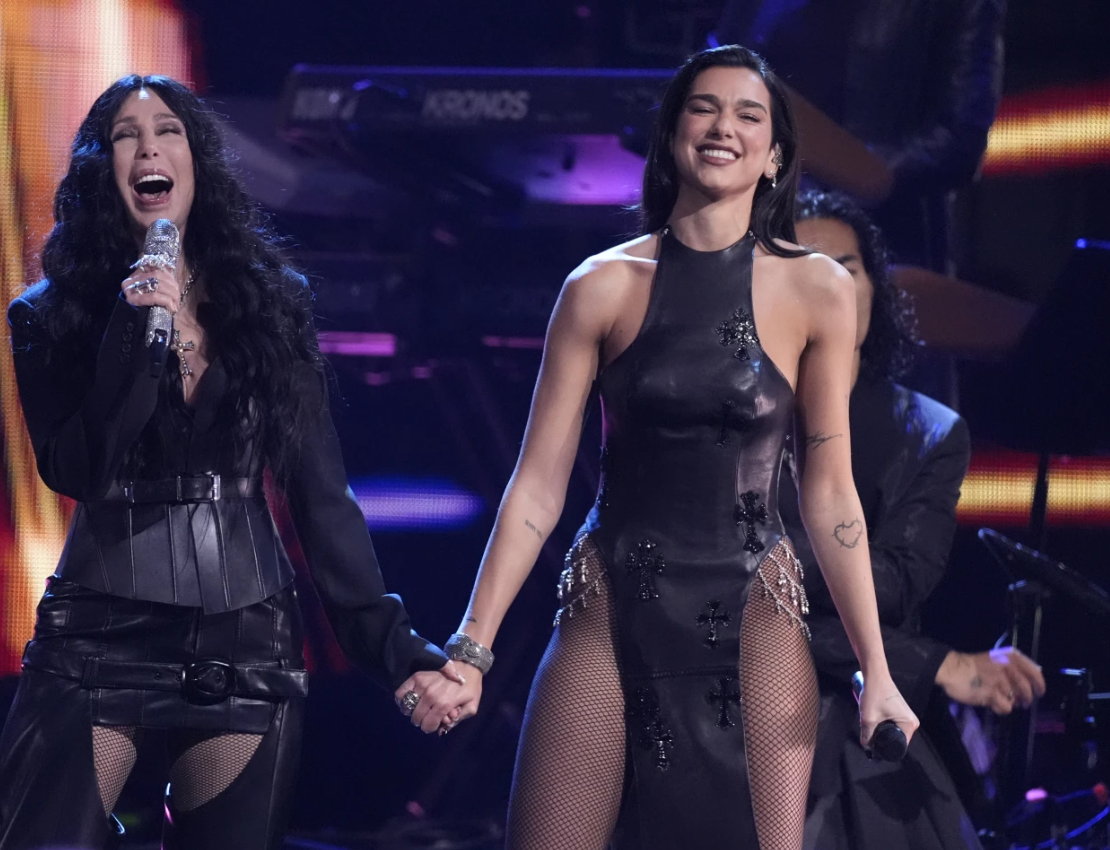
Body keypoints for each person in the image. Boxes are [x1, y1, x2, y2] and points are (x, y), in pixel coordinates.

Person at [424, 45, 920, 850]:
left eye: (748, 115)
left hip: (756, 612)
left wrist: (879, 671)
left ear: (775, 156)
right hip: (610, 604)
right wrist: (471, 649)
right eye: (704, 108)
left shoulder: (818, 288)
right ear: (672, 135)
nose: (724, 127)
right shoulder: (599, 285)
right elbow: (538, 486)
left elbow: (830, 491)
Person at [0, 75, 464, 850]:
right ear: (101, 170)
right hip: (99, 633)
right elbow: (82, 471)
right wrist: (132, 332)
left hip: (244, 631)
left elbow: (319, 491)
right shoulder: (49, 314)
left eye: (168, 132)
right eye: (125, 136)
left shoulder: (271, 303)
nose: (149, 148)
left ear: (196, 160)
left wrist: (393, 648)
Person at [786, 190, 1045, 850]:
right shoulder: (730, 419)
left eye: (846, 267)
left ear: (875, 286)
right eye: (805, 267)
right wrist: (937, 664)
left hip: (855, 700)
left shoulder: (930, 432)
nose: (830, 287)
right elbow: (711, 592)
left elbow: (895, 587)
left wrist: (768, 565)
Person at [713, 0, 1005, 273]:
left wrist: (850, 173)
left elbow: (959, 139)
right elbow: (718, 80)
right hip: (756, 234)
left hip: (879, 249)